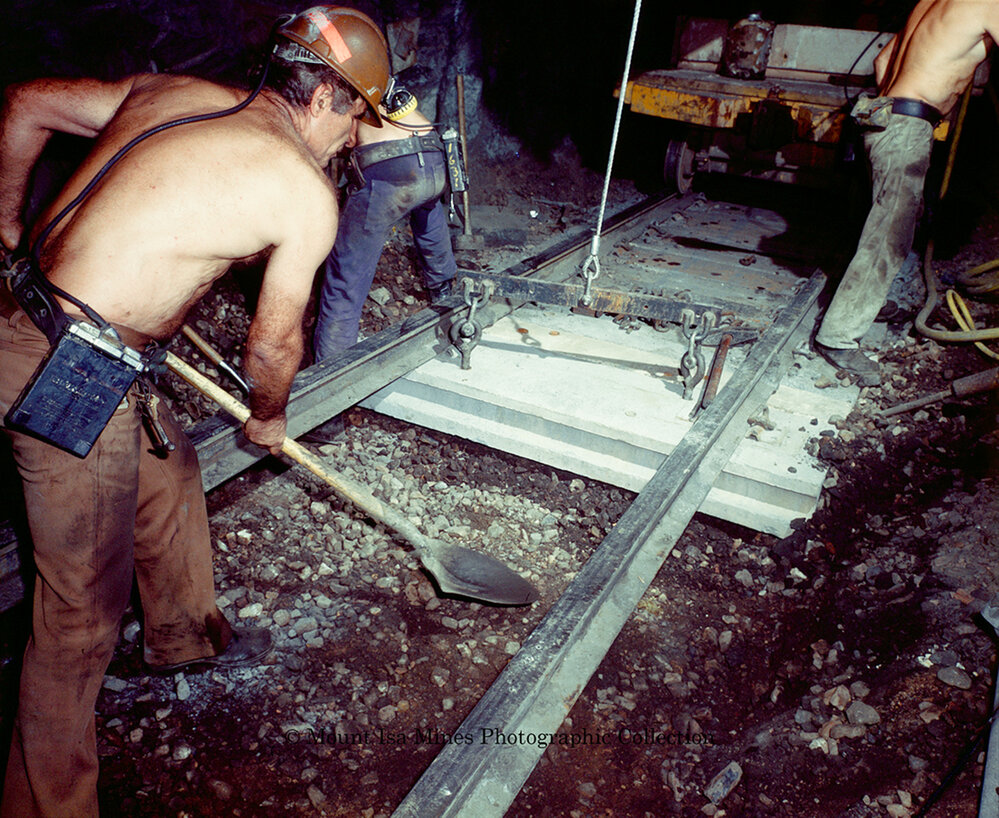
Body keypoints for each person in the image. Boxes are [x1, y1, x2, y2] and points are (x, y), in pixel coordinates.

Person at [0, 6, 390, 816]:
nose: (353, 144)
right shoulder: (300, 190)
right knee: (78, 618)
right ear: (329, 100)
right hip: (70, 372)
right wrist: (268, 418)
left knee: (170, 470)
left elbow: (27, 101)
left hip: (36, 319)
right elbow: (272, 348)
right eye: (359, 121)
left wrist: (6, 225)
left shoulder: (170, 90)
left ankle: (180, 637)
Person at [814, 0, 997, 386]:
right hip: (907, 126)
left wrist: (896, 115)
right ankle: (838, 338)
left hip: (882, 116)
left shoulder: (927, 3)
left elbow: (883, 61)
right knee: (890, 238)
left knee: (876, 221)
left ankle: (861, 302)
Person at [312, 83, 457, 361]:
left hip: (391, 168)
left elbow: (349, 139)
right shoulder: (378, 79)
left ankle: (331, 370)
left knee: (345, 280)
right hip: (433, 156)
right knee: (428, 215)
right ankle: (445, 298)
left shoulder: (342, 88)